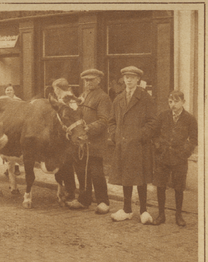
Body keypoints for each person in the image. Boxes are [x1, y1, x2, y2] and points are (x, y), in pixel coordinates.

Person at [109, 66, 156, 224]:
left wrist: (140, 136)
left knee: (141, 178)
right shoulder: (118, 98)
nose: (128, 80)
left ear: (138, 79)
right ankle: (127, 209)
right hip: (122, 145)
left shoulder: (145, 98)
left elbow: (152, 122)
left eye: (132, 77)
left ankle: (143, 210)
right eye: (126, 77)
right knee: (125, 178)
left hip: (139, 146)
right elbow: (112, 122)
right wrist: (115, 135)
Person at [67, 69, 111, 214]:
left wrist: (88, 129)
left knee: (96, 172)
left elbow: (104, 121)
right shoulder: (83, 95)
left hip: (95, 142)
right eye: (86, 80)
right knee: (81, 171)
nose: (88, 83)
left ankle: (103, 202)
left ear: (99, 80)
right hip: (81, 142)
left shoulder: (103, 97)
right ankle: (83, 200)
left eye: (91, 80)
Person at [151, 90, 197, 226]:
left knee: (179, 187)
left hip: (179, 158)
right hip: (163, 157)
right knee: (160, 185)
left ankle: (178, 216)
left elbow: (193, 140)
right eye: (170, 101)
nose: (173, 105)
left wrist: (185, 153)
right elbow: (154, 134)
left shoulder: (190, 119)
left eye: (176, 101)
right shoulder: (162, 116)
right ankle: (161, 215)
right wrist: (158, 147)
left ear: (183, 102)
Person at [51, 78, 78, 202]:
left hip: (69, 137)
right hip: (61, 137)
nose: (55, 91)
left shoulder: (70, 100)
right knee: (62, 164)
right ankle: (64, 189)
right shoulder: (61, 100)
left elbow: (72, 116)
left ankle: (70, 191)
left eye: (56, 88)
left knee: (67, 165)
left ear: (59, 88)